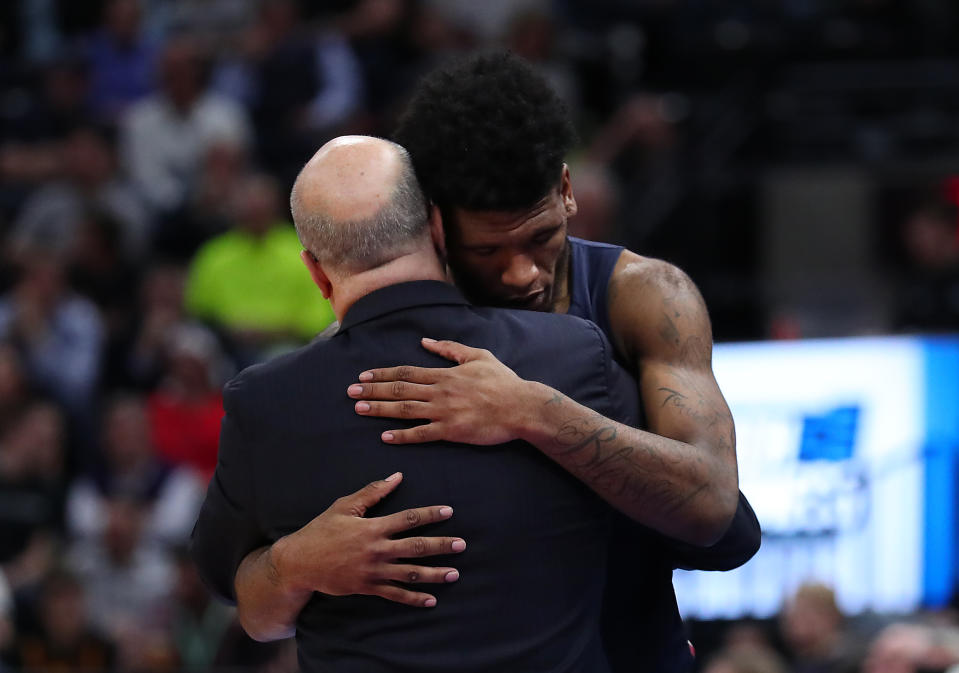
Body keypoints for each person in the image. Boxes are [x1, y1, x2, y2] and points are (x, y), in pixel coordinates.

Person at [345, 51, 762, 672]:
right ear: (434, 225)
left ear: (566, 190)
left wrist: (531, 410)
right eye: (488, 249)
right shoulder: (390, 319)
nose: (523, 274)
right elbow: (246, 584)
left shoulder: (647, 294)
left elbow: (713, 510)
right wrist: (294, 561)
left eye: (540, 237)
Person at [192, 135, 641, 671]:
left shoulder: (266, 403)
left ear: (314, 272)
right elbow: (709, 532)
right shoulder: (570, 351)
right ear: (436, 225)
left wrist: (290, 566)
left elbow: (249, 608)